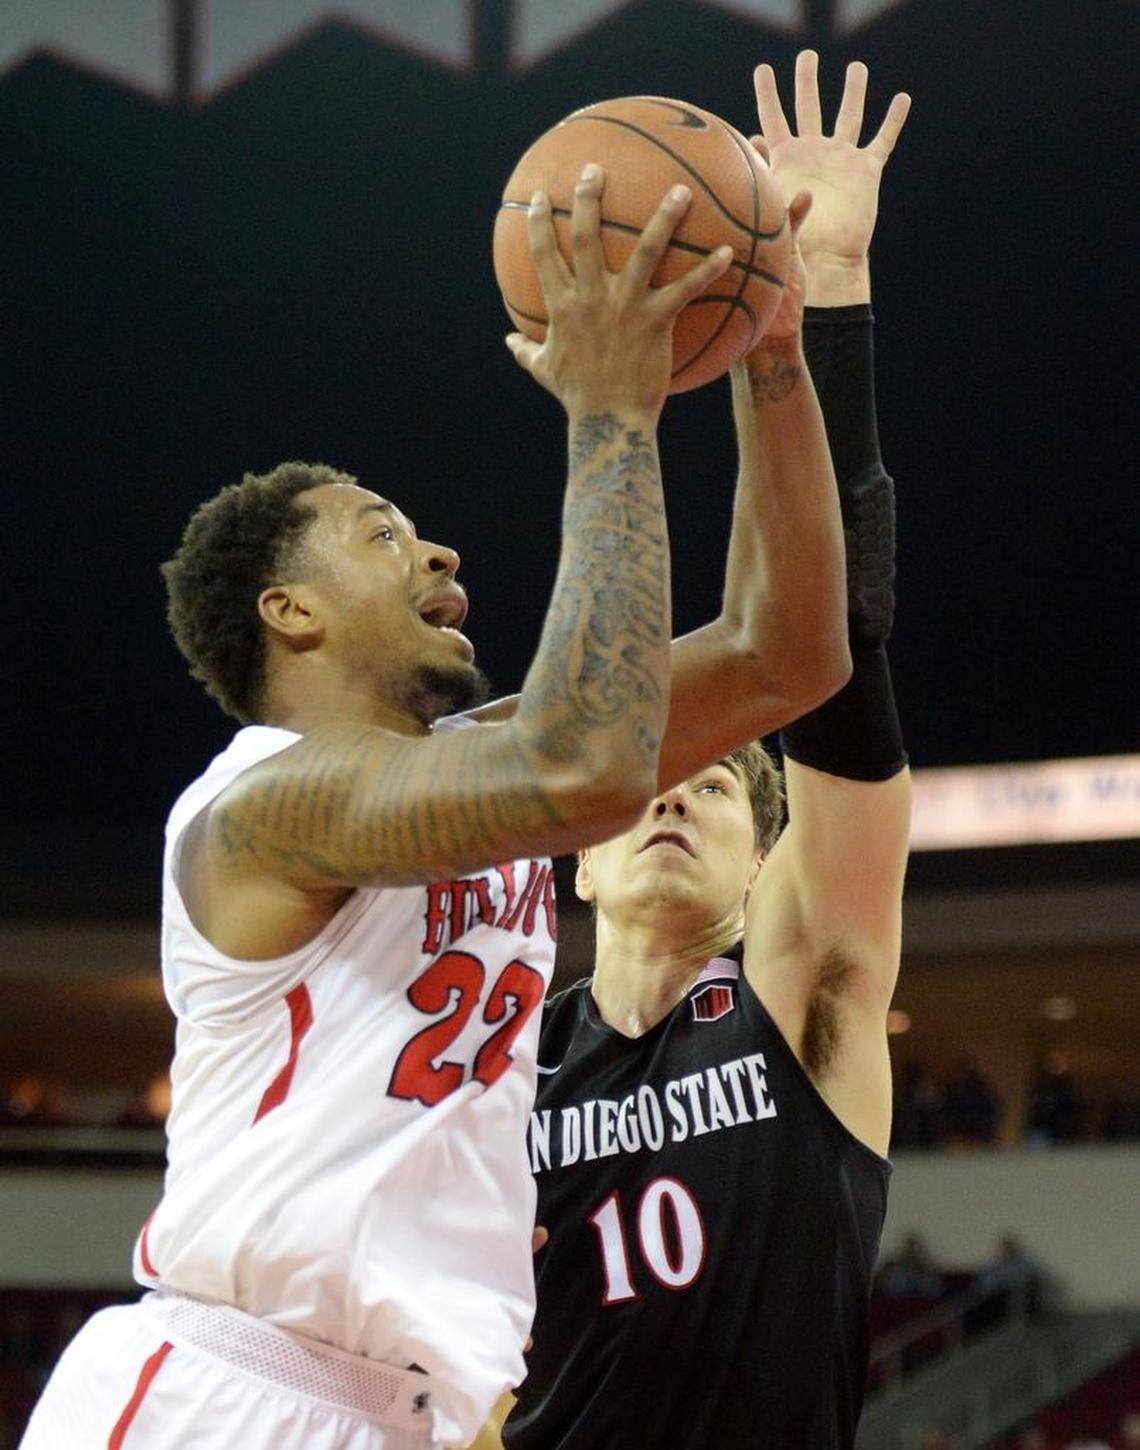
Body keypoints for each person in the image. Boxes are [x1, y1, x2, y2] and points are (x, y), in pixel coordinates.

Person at [21, 147, 851, 1450]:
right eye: (380, 532)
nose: (439, 549)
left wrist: (773, 348)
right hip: (225, 1395)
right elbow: (586, 761)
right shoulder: (261, 807)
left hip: (415, 1417)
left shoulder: (475, 764)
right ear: (287, 612)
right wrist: (611, 413)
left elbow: (789, 650)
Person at [498, 52, 913, 1449]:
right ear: (576, 856)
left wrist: (821, 306)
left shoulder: (807, 985)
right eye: (655, 778)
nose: (679, 782)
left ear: (767, 852)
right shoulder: (506, 1066)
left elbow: (838, 665)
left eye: (725, 780)